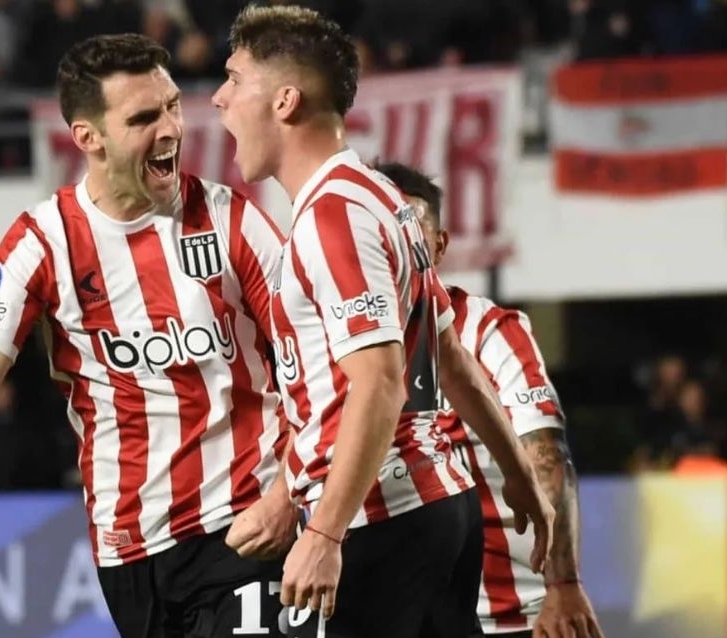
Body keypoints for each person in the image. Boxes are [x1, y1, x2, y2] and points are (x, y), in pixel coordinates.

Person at [0, 34, 298, 638]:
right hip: (129, 549)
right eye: (144, 118)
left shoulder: (233, 220)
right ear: (87, 137)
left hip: (246, 523)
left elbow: (315, 365)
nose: (171, 129)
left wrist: (287, 495)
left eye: (172, 107)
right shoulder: (40, 244)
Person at [211, 6, 555, 637]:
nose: (219, 98)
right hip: (437, 505)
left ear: (285, 101)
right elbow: (451, 362)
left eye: (234, 79)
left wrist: (323, 533)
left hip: (381, 520)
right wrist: (517, 473)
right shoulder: (382, 199)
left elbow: (379, 383)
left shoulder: (334, 216)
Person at [377, 162, 604, 638]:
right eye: (383, 235)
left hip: (505, 614)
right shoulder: (334, 339)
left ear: (439, 246)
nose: (398, 250)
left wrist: (562, 583)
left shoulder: (490, 331)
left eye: (413, 235)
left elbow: (545, 451)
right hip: (391, 611)